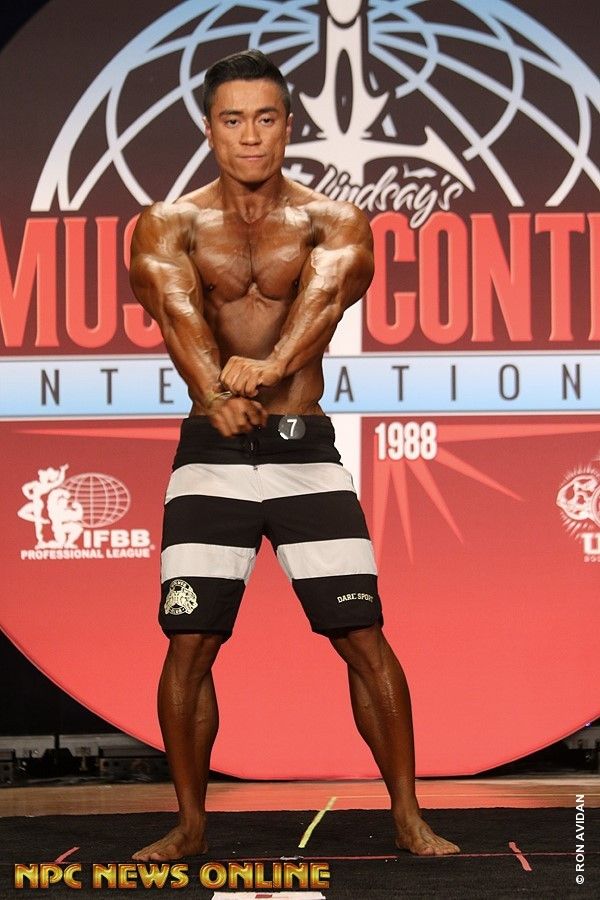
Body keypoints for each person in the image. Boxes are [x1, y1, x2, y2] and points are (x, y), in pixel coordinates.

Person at [129, 49, 460, 860]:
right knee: (190, 641)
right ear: (209, 128)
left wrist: (272, 368)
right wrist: (215, 391)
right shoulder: (169, 223)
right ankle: (190, 824)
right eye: (233, 119)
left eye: (266, 118)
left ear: (288, 125)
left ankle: (408, 815)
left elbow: (325, 298)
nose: (250, 136)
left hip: (303, 448)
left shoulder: (332, 220)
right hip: (211, 452)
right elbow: (176, 310)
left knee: (362, 634)